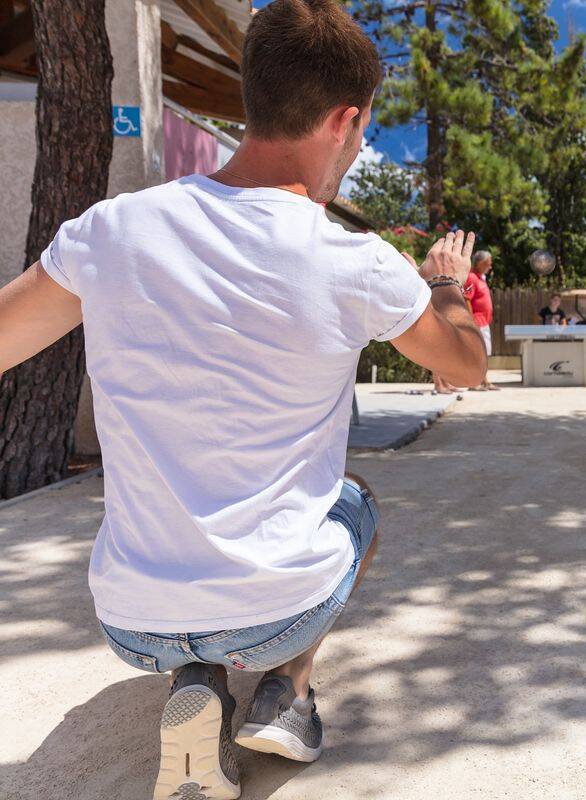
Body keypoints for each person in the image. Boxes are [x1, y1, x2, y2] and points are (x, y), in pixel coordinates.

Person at [0, 2, 487, 798]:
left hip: (130, 620)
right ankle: (287, 691)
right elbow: (463, 367)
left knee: (182, 545)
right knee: (356, 501)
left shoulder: (112, 231)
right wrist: (446, 286)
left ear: (252, 96)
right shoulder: (355, 260)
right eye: (361, 133)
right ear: (345, 119)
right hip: (273, 613)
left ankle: (190, 677)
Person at [464, 250, 499, 390]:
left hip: (484, 321)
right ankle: (475, 382)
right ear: (479, 263)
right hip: (476, 321)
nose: (490, 267)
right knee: (477, 353)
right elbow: (466, 299)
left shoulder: (481, 278)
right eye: (488, 263)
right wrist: (470, 321)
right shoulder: (471, 277)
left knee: (484, 353)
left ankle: (485, 381)